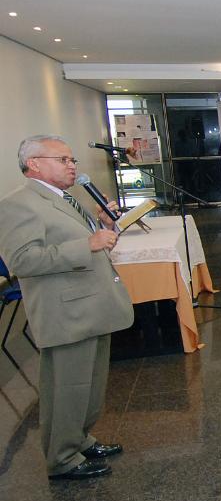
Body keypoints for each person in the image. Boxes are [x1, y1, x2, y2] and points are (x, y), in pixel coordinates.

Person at [0, 135, 134, 480]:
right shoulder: (19, 204)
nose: (72, 166)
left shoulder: (63, 198)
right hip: (65, 311)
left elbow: (81, 240)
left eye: (71, 160)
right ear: (34, 164)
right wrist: (87, 244)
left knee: (89, 384)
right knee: (67, 386)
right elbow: (23, 260)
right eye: (63, 160)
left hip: (91, 304)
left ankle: (80, 438)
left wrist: (102, 225)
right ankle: (61, 458)